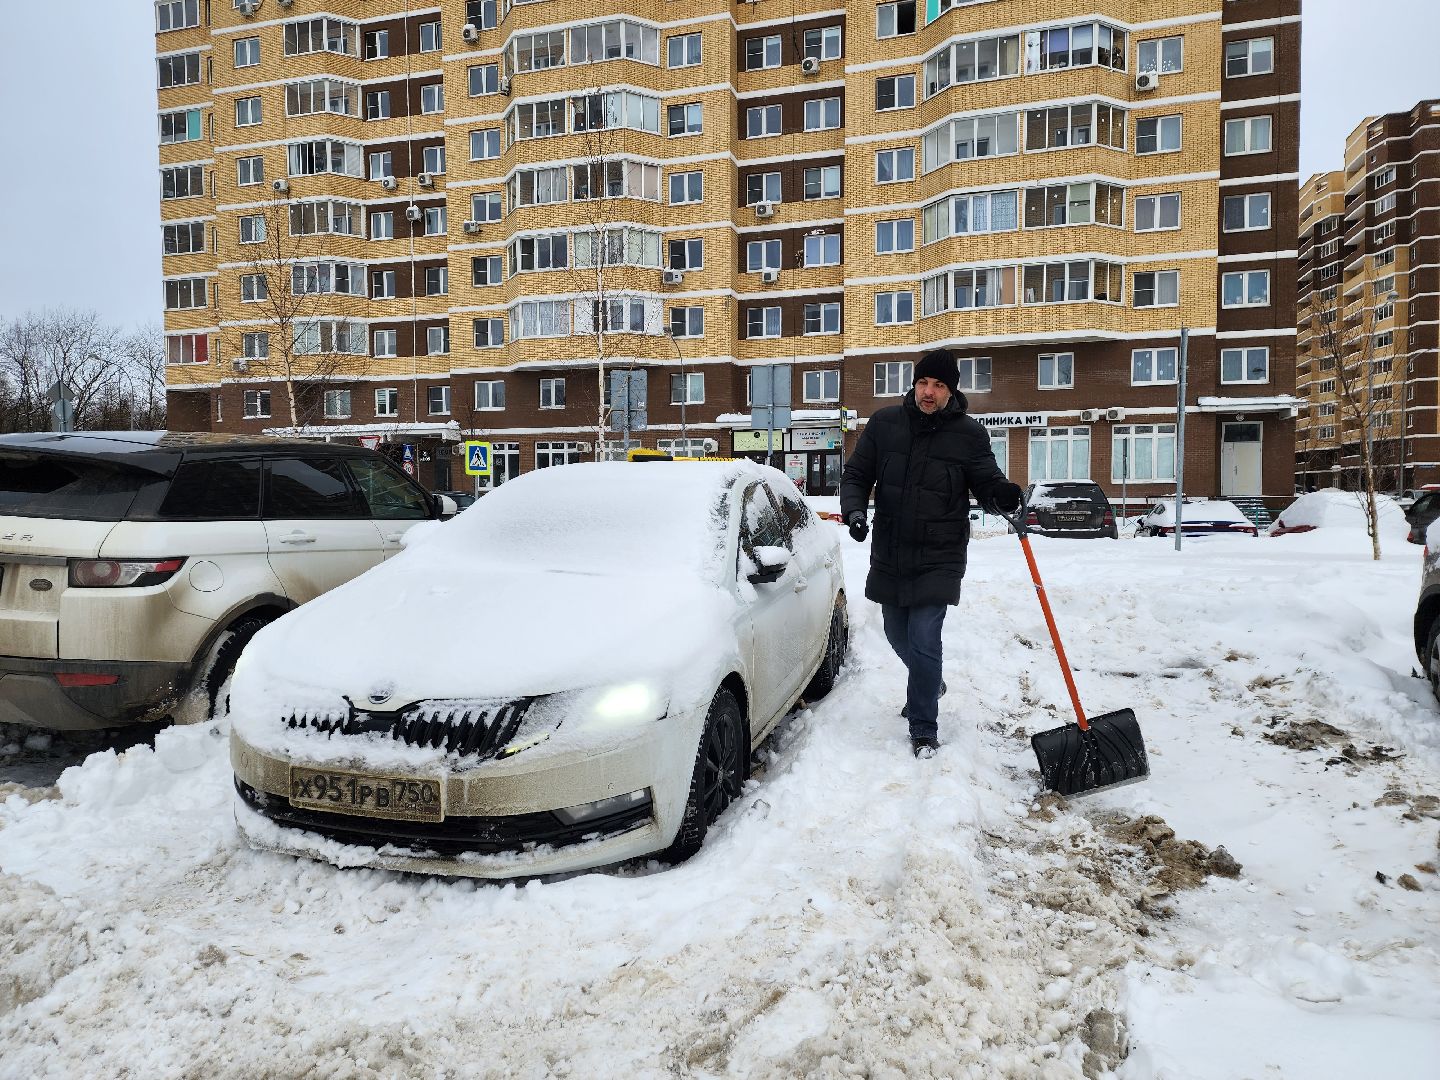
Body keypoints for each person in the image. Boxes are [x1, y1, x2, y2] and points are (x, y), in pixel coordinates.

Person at [839, 349, 1022, 759]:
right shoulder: (885, 424)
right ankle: (929, 679)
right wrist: (853, 511)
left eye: (939, 385)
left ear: (950, 391)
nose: (928, 391)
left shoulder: (969, 434)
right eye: (923, 382)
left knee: (923, 636)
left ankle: (923, 727)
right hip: (892, 548)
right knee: (894, 631)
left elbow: (986, 480)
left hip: (941, 552)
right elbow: (857, 473)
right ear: (914, 383)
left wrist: (1002, 493)